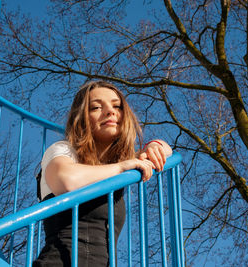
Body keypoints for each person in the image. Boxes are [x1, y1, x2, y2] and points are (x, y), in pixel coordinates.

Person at [33, 80, 172, 266]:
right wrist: (122, 167)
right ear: (81, 118)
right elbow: (66, 181)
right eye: (96, 107)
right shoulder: (63, 151)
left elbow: (167, 150)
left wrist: (153, 145)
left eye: (117, 106)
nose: (110, 111)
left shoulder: (114, 168)